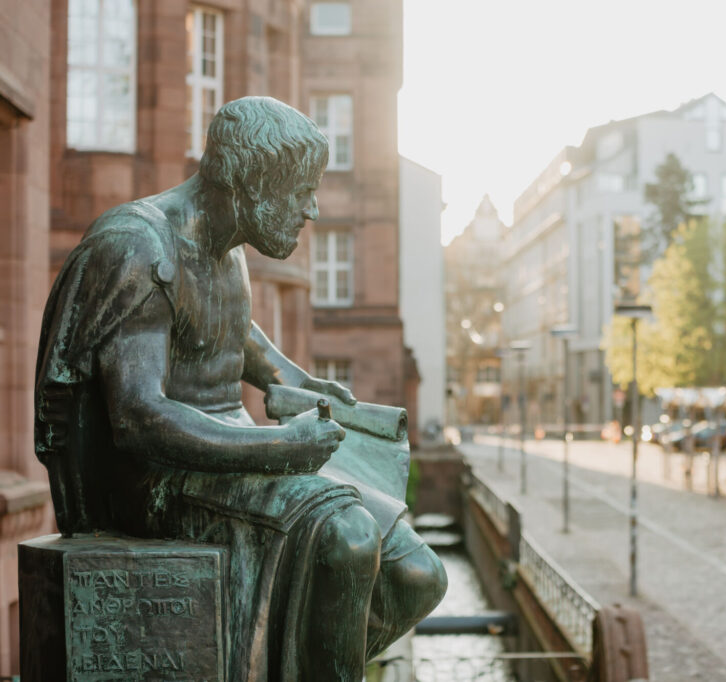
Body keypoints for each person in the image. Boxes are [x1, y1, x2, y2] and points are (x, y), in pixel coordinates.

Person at [35, 96, 445, 680]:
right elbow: (139, 417)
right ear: (248, 183)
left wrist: (292, 379)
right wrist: (280, 450)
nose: (313, 210)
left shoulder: (227, 248)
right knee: (350, 539)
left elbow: (230, 328)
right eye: (301, 190)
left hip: (236, 455)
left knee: (417, 575)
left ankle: (287, 662)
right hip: (160, 481)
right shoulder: (137, 246)